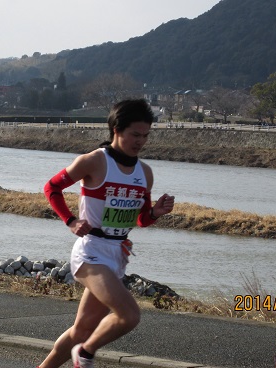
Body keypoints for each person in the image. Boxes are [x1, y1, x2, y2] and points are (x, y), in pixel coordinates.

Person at [38, 99, 175, 368]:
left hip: (117, 253)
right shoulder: (93, 162)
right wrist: (71, 220)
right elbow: (51, 188)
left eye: (146, 135)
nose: (141, 141)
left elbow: (141, 219)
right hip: (91, 251)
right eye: (135, 134)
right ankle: (85, 354)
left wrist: (156, 213)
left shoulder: (144, 173)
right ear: (116, 130)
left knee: (81, 329)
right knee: (129, 315)